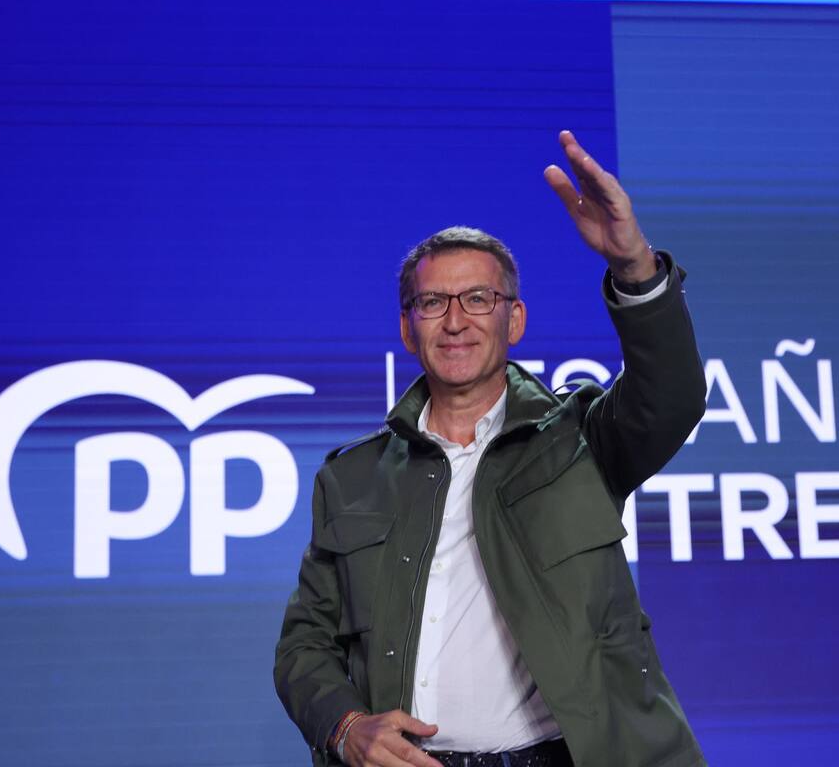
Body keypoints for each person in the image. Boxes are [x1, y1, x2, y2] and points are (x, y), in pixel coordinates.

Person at [274, 130, 708, 767]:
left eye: (479, 298)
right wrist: (345, 726)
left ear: (516, 319)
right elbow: (303, 645)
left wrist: (633, 265)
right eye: (432, 302)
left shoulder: (580, 439)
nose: (456, 321)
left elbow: (672, 398)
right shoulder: (352, 477)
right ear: (407, 328)